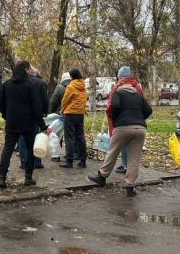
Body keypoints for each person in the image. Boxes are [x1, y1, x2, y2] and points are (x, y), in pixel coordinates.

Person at [88, 66, 152, 196]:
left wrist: (117, 120)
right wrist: (139, 118)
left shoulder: (118, 92)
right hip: (140, 129)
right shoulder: (138, 95)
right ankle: (130, 186)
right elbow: (148, 110)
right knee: (134, 158)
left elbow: (114, 106)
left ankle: (102, 176)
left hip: (122, 127)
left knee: (113, 151)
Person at [0, 60, 44, 188]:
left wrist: (6, 115)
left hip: (12, 122)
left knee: (7, 149)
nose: (30, 70)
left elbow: (1, 103)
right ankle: (28, 177)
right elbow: (36, 106)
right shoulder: (30, 85)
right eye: (29, 68)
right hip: (28, 123)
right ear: (25, 70)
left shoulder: (7, 84)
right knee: (30, 150)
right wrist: (42, 124)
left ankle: (1, 177)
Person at [17, 66, 49, 170]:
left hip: (22, 114)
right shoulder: (41, 83)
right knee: (37, 137)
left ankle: (24, 161)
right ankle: (37, 161)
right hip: (37, 114)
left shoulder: (20, 82)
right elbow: (44, 99)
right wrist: (45, 112)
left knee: (22, 138)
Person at [59, 68, 88, 168]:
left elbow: (65, 100)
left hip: (70, 114)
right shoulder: (83, 86)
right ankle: (83, 160)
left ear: (71, 77)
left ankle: (69, 161)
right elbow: (84, 100)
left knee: (69, 138)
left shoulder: (70, 86)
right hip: (80, 114)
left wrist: (62, 110)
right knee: (80, 137)